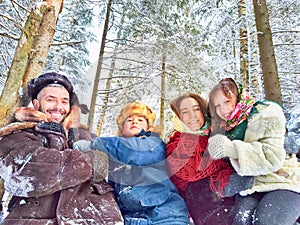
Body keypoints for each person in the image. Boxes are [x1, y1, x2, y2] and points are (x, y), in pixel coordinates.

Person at [0, 72, 123, 224]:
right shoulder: (19, 134)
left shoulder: (86, 136)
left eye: (64, 101)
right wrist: (90, 162)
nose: (58, 107)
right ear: (36, 104)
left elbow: (119, 166)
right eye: (51, 100)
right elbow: (28, 170)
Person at [74, 102, 190, 225]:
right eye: (129, 120)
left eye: (140, 120)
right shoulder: (116, 157)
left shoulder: (153, 144)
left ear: (148, 127)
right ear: (122, 129)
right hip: (134, 218)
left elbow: (132, 152)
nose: (134, 122)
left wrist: (93, 144)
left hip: (165, 215)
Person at [207, 78, 300, 225]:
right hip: (253, 184)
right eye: (217, 106)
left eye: (226, 102)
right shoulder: (224, 127)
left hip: (282, 179)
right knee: (240, 220)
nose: (223, 110)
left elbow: (272, 158)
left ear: (237, 97)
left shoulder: (265, 112)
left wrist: (231, 149)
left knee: (267, 221)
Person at [165, 93, 237, 225]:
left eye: (196, 109)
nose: (192, 116)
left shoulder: (219, 135)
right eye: (185, 112)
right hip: (202, 203)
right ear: (178, 117)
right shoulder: (175, 144)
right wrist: (222, 160)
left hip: (229, 199)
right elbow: (190, 172)